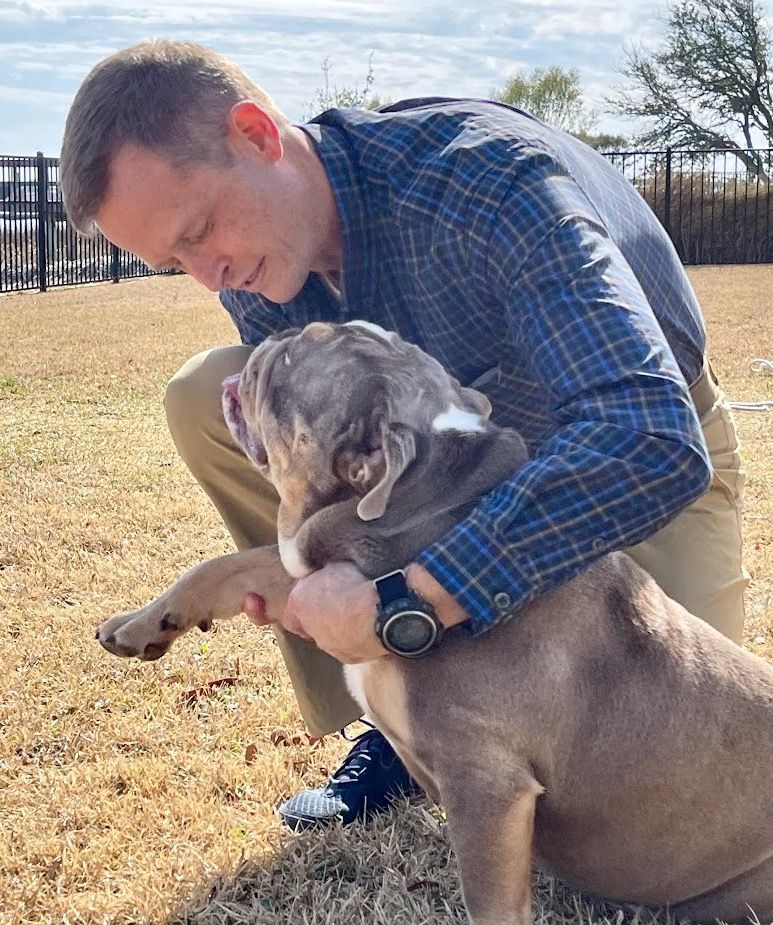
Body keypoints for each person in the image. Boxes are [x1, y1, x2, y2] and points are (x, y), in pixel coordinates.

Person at [60, 41, 746, 830]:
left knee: (674, 794)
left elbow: (646, 439)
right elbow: (348, 467)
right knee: (202, 394)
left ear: (255, 134)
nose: (207, 275)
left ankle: (424, 650)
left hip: (623, 459)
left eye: (200, 229)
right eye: (173, 259)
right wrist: (340, 579)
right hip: (444, 475)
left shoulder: (490, 183)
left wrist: (407, 600)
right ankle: (394, 715)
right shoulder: (257, 265)